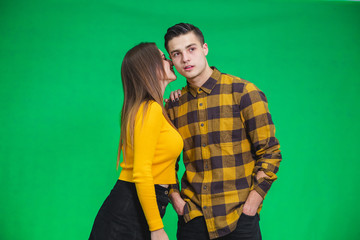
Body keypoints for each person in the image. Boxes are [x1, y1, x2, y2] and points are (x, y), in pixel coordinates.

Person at [164, 23, 282, 240]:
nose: (185, 59)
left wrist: (251, 207)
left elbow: (270, 152)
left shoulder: (243, 92)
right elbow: (165, 161)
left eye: (192, 49)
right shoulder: (173, 106)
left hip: (238, 219)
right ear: (171, 60)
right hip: (193, 220)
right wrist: (176, 200)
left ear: (205, 48)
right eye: (176, 53)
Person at [89, 42, 183, 240]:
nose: (170, 60)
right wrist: (157, 228)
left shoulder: (152, 109)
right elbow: (141, 172)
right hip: (130, 209)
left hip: (137, 204)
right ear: (149, 68)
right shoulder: (150, 109)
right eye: (163, 57)